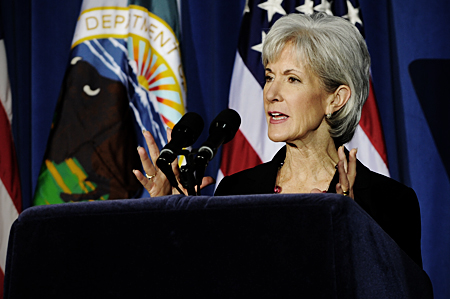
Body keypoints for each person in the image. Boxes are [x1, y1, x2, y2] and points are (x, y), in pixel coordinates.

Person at [133, 13, 422, 268]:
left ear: (336, 98)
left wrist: (354, 226)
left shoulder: (388, 202)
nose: (271, 93)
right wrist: (173, 218)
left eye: (292, 79)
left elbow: (402, 289)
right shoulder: (237, 191)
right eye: (270, 77)